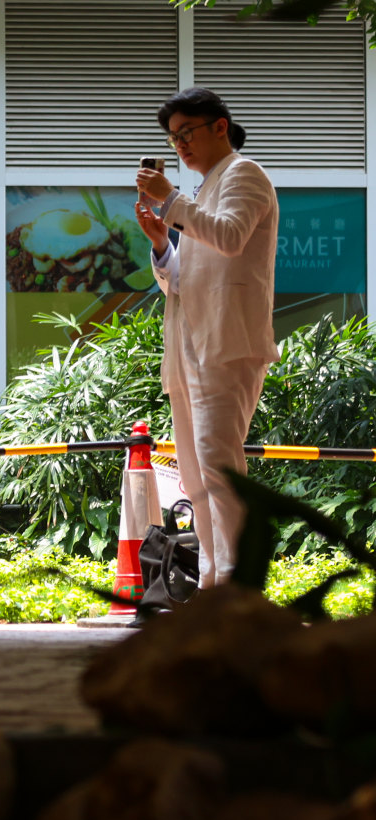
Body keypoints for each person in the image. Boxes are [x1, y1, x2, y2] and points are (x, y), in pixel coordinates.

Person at [135, 88, 279, 588]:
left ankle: (238, 582)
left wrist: (170, 201)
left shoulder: (244, 174)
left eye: (187, 133)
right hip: (191, 346)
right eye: (174, 138)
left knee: (218, 462)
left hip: (227, 341)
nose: (179, 145)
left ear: (220, 126)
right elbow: (183, 281)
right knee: (196, 475)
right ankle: (214, 580)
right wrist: (161, 243)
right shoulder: (201, 191)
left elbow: (231, 236)